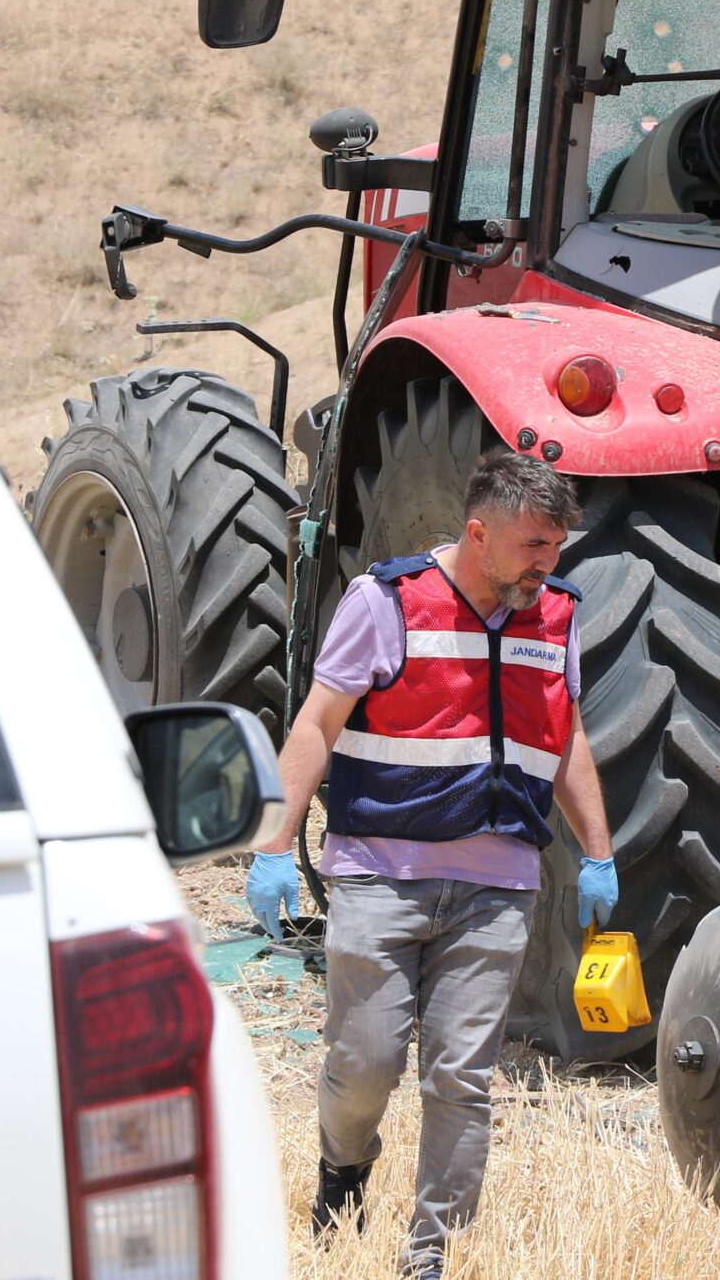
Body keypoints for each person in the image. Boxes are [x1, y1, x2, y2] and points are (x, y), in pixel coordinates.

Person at [242, 449, 616, 1280]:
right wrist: (274, 843)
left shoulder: (556, 614)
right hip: (379, 875)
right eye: (531, 545)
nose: (546, 563)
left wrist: (599, 852)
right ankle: (343, 1169)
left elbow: (568, 736)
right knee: (364, 1060)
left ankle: (432, 1256)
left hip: (497, 887)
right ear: (478, 532)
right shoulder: (385, 600)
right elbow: (314, 726)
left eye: (555, 545)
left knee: (462, 1079)